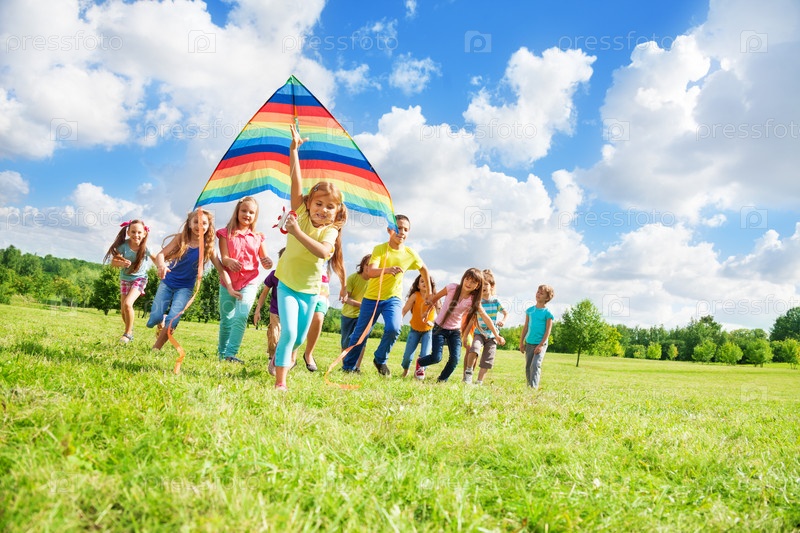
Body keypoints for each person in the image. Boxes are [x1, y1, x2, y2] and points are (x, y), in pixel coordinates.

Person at [272, 123, 346, 391]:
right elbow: (296, 180)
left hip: (311, 290)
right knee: (289, 332)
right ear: (308, 204)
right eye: (319, 203)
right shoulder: (300, 213)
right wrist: (293, 150)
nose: (323, 210)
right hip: (287, 284)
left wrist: (296, 232)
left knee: (300, 338)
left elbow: (323, 252)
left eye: (330, 206)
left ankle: (285, 356)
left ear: (337, 212)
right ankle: (280, 382)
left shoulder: (331, 231)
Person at [340, 215, 431, 376]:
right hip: (371, 298)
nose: (401, 232)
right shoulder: (380, 249)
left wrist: (429, 292)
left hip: (392, 299)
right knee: (361, 334)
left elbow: (424, 269)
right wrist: (388, 270)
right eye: (398, 228)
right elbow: (371, 271)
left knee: (394, 328)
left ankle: (380, 359)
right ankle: (348, 367)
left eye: (405, 229)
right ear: (389, 230)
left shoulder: (410, 254)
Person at [147, 210, 238, 351]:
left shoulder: (208, 247)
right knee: (154, 318)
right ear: (189, 224)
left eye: (204, 223)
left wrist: (230, 288)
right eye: (196, 222)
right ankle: (161, 320)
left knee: (173, 319)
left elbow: (221, 270)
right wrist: (161, 265)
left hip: (185, 288)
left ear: (208, 226)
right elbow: (161, 255)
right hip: (167, 282)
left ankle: (156, 348)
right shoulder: (180, 239)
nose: (199, 226)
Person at [415, 268, 505, 382]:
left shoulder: (473, 300)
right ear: (463, 278)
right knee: (436, 357)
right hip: (439, 328)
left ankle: (442, 380)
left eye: (473, 282)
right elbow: (435, 298)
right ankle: (420, 362)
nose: (469, 283)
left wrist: (496, 335)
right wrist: (426, 312)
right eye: (467, 279)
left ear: (477, 286)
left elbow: (486, 318)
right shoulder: (452, 288)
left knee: (455, 359)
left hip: (455, 331)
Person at [216, 196, 273, 364]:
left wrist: (268, 262)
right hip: (227, 282)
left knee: (241, 316)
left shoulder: (258, 237)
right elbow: (224, 257)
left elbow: (265, 260)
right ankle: (221, 354)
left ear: (255, 216)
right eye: (244, 211)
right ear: (237, 211)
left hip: (249, 282)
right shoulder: (225, 234)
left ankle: (230, 354)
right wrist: (229, 261)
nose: (247, 214)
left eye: (251, 212)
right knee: (226, 320)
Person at [104, 219, 156, 343]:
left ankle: (127, 334)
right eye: (133, 232)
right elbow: (113, 262)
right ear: (128, 232)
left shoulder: (145, 248)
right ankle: (130, 330)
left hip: (140, 279)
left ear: (144, 233)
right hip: (125, 279)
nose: (136, 235)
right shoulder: (124, 246)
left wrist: (163, 268)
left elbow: (155, 259)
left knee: (128, 304)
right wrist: (121, 263)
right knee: (123, 310)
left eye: (139, 232)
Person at [298, 263, 346, 373]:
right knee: (299, 321)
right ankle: (292, 355)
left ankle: (308, 353)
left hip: (321, 291)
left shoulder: (330, 253)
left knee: (319, 318)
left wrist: (344, 287)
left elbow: (339, 264)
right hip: (302, 285)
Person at [463, 269, 508, 384]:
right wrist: (465, 335)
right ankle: (468, 373)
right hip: (479, 333)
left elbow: (506, 313)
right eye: (481, 284)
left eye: (486, 284)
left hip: (492, 335)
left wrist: (503, 320)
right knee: (474, 349)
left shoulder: (495, 301)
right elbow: (472, 320)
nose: (483, 287)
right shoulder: (478, 302)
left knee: (487, 360)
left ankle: (479, 382)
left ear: (491, 286)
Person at [400, 274, 438, 377]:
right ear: (418, 285)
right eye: (422, 281)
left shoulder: (435, 297)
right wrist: (399, 320)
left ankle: (419, 373)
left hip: (428, 330)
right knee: (407, 356)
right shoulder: (415, 295)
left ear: (431, 285)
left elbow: (440, 313)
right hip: (414, 329)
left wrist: (433, 322)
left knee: (425, 355)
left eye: (427, 282)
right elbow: (404, 310)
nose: (425, 283)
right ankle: (406, 370)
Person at [254, 247, 284, 376]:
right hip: (275, 310)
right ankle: (272, 358)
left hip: (289, 312)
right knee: (274, 335)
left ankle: (284, 359)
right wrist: (257, 310)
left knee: (286, 336)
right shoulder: (274, 275)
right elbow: (264, 292)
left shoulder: (295, 277)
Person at [520, 284, 555, 389]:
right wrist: (521, 342)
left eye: (541, 293)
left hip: (541, 343)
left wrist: (541, 345)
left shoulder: (548, 313)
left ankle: (533, 388)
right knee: (528, 366)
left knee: (535, 365)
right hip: (529, 342)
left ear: (547, 298)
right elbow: (525, 327)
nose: (538, 294)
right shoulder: (530, 311)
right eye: (538, 292)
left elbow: (548, 331)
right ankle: (529, 386)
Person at [339, 254, 371, 368]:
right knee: (346, 342)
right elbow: (345, 299)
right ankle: (345, 366)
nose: (369, 268)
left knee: (361, 342)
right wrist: (362, 305)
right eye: (367, 265)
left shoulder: (375, 282)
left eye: (372, 265)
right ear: (362, 265)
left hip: (363, 316)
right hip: (348, 315)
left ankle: (357, 367)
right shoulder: (353, 278)